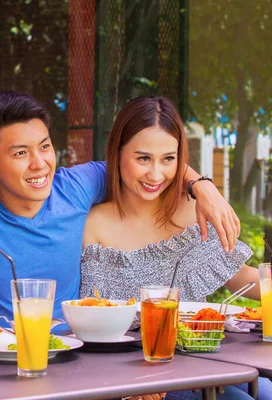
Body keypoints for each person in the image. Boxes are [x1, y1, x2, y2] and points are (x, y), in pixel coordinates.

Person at [0, 91, 241, 331]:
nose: (39, 163)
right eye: (20, 153)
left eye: (44, 146)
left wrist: (203, 187)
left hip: (74, 362)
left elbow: (148, 164)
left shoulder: (75, 187)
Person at [80, 96, 266, 400]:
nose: (156, 175)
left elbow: (240, 279)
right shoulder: (93, 224)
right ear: (117, 153)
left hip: (202, 364)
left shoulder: (192, 210)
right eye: (143, 159)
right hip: (131, 377)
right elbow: (91, 324)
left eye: (168, 159)